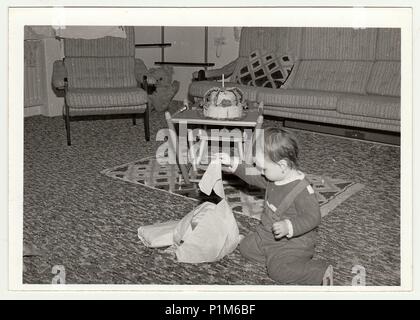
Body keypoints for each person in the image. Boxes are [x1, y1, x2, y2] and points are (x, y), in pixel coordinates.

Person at [217, 127, 332, 285]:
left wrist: (289, 226)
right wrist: (234, 164)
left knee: (277, 271)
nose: (261, 173)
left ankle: (319, 272)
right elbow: (253, 176)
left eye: (264, 169)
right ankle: (272, 255)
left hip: (293, 242)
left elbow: (313, 217)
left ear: (283, 166)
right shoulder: (274, 176)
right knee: (245, 247)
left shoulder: (303, 190)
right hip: (268, 234)